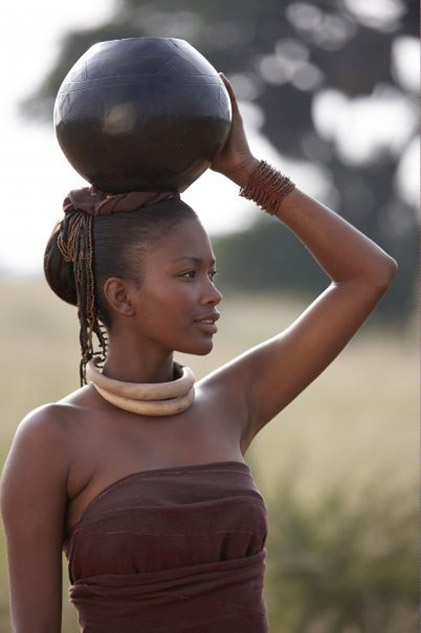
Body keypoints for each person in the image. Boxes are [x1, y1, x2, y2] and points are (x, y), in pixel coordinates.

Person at [0, 74, 397, 633]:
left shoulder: (232, 402)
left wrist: (247, 172)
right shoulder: (51, 438)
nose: (212, 294)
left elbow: (368, 275)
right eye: (188, 275)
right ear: (121, 295)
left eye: (212, 272)